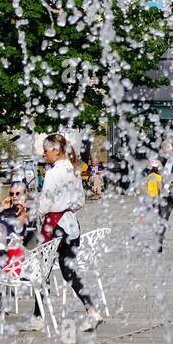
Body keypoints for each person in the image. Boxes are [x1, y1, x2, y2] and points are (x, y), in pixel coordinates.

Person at [34, 133, 102, 332]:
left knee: (42, 270)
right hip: (71, 226)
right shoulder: (73, 172)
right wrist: (66, 206)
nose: (44, 155)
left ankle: (38, 317)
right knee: (69, 271)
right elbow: (80, 201)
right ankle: (91, 310)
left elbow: (45, 203)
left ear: (56, 151)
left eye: (46, 151)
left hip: (55, 227)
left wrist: (36, 214)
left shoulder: (53, 174)